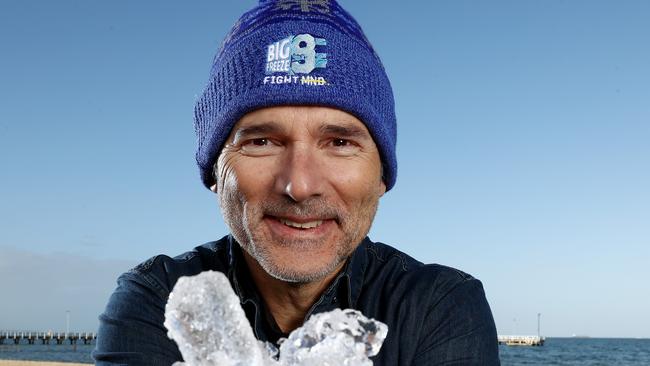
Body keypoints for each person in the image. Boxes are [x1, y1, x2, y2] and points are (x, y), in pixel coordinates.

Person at [93, 1, 500, 365]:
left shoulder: (441, 306)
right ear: (215, 173)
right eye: (261, 142)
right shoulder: (153, 299)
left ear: (381, 176)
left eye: (339, 142)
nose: (300, 185)